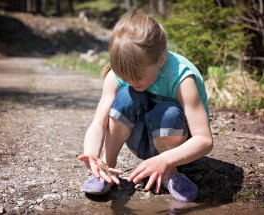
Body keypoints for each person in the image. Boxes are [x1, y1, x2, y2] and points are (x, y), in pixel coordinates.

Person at [78, 13, 213, 202]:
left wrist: (166, 159)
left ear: (161, 60)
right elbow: (98, 123)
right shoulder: (120, 74)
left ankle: (170, 173)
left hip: (177, 147)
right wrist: (92, 155)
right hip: (140, 139)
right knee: (126, 96)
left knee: (168, 113)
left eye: (138, 76)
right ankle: (108, 169)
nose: (131, 81)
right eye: (125, 76)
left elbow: (204, 140)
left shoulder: (181, 77)